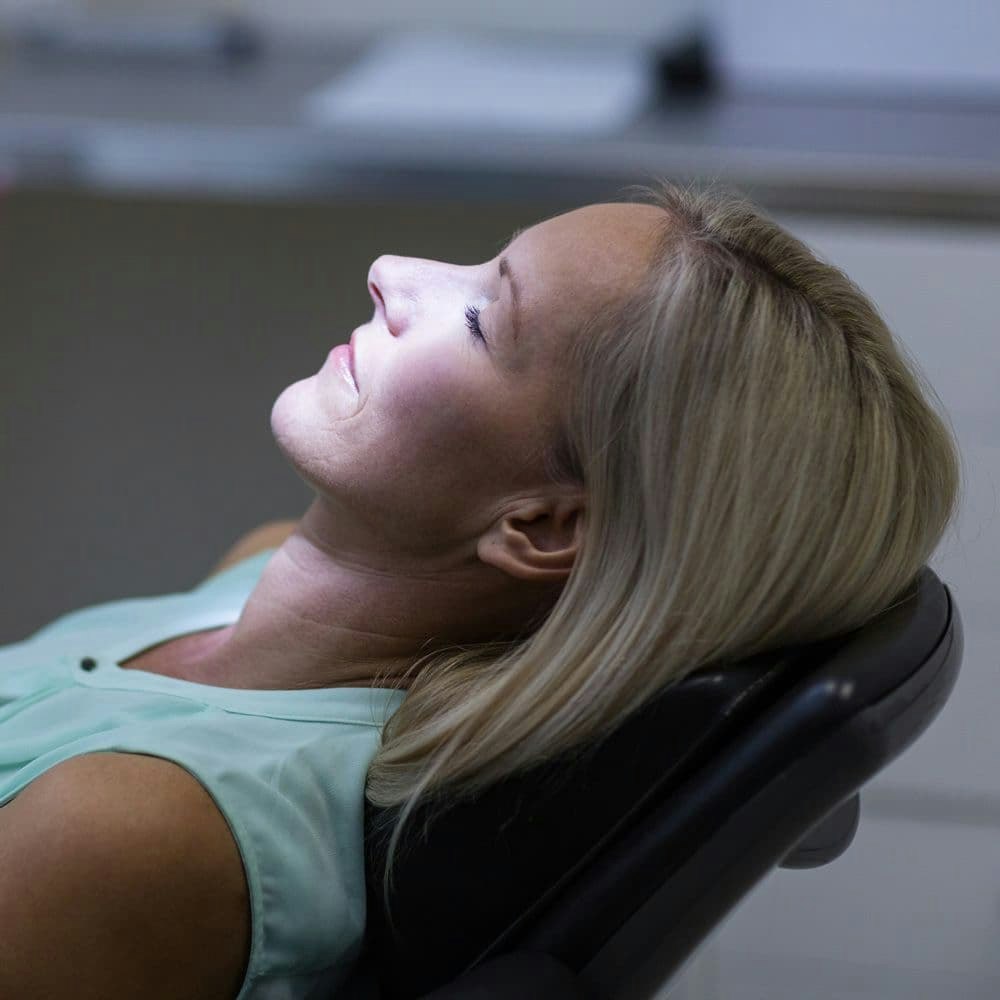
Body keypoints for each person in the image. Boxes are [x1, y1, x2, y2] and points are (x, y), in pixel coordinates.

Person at [0, 180, 963, 998]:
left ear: (539, 526)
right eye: (481, 265)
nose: (388, 269)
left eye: (478, 320)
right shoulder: (256, 572)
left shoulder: (129, 834)